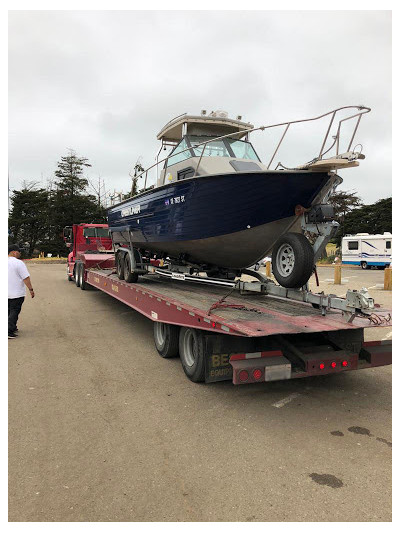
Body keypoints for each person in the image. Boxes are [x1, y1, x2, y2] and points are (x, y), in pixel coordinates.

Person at [8, 244, 35, 339]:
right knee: (14, 311)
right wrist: (31, 289)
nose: (20, 253)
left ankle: (12, 327)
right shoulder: (19, 263)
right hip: (16, 293)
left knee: (7, 311)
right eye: (19, 251)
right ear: (14, 252)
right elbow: (26, 278)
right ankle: (8, 331)